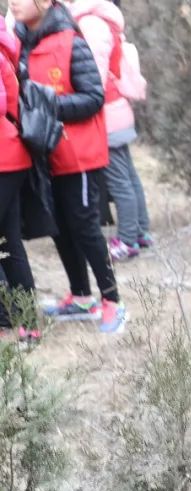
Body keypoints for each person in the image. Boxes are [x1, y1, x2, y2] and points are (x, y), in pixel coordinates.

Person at [11, 0, 125, 333]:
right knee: (59, 225)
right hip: (44, 155)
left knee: (85, 227)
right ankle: (80, 296)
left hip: (79, 155)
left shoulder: (71, 40)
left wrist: (46, 105)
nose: (13, 3)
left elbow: (93, 97)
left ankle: (112, 301)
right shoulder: (18, 42)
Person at [68, 0, 152, 263]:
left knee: (119, 179)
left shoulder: (91, 23)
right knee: (128, 175)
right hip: (116, 108)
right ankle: (140, 231)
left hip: (107, 113)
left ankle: (127, 240)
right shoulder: (102, 20)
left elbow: (94, 74)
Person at [0, 20, 37, 341]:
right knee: (8, 242)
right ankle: (25, 323)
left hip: (4, 157)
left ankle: (10, 320)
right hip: (10, 151)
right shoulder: (5, 46)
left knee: (8, 243)